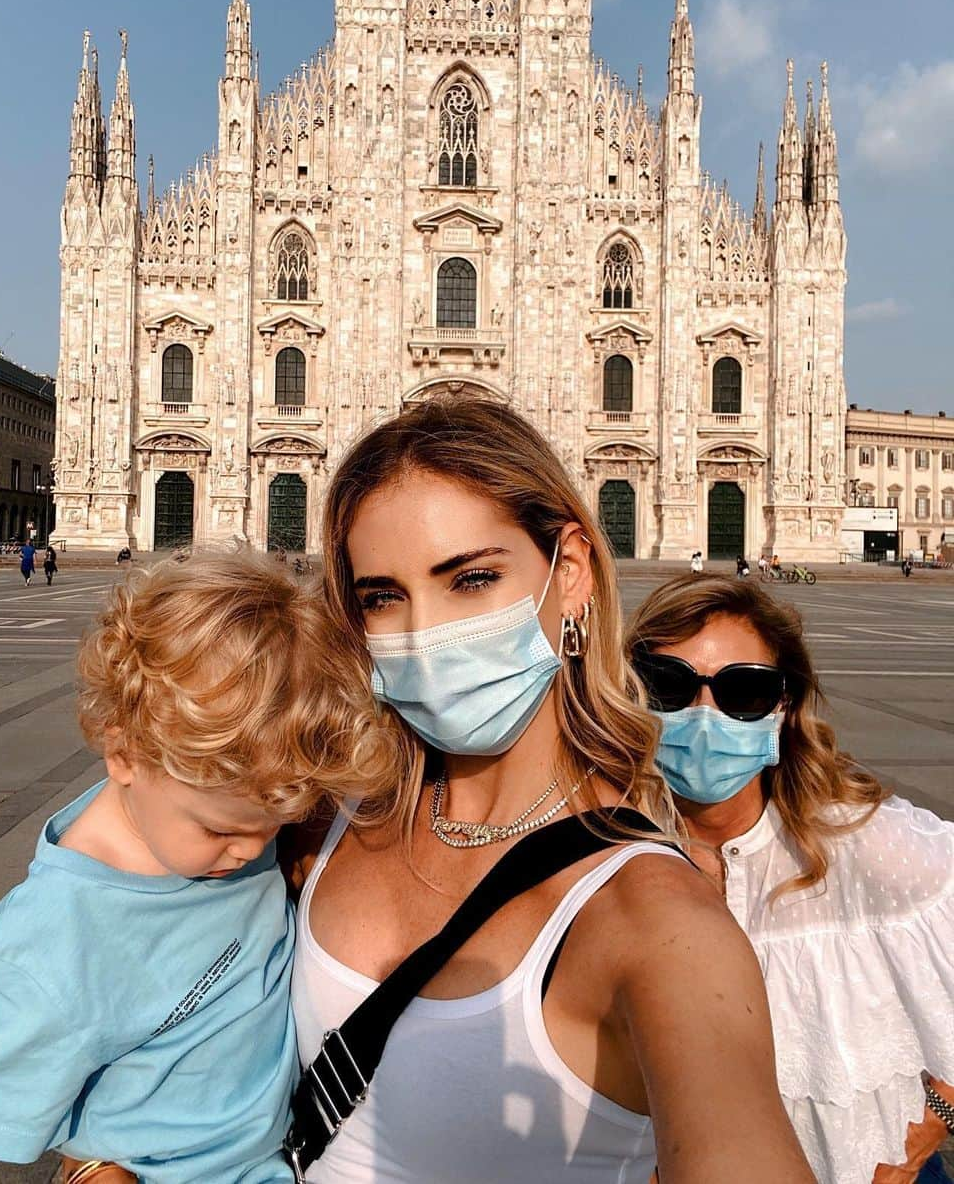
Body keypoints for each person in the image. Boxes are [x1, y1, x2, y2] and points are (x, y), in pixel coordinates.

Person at [292, 398, 813, 1184]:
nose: (424, 634)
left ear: (570, 576)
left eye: (472, 579)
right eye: (381, 596)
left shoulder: (658, 925)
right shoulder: (321, 826)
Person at [0, 550, 399, 1184]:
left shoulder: (209, 789)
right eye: (222, 830)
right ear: (123, 755)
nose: (252, 850)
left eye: (278, 826)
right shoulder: (52, 949)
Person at [626, 576, 954, 1184]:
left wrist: (936, 1115)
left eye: (743, 693)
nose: (704, 718)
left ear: (782, 707)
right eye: (667, 687)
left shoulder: (861, 843)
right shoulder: (601, 860)